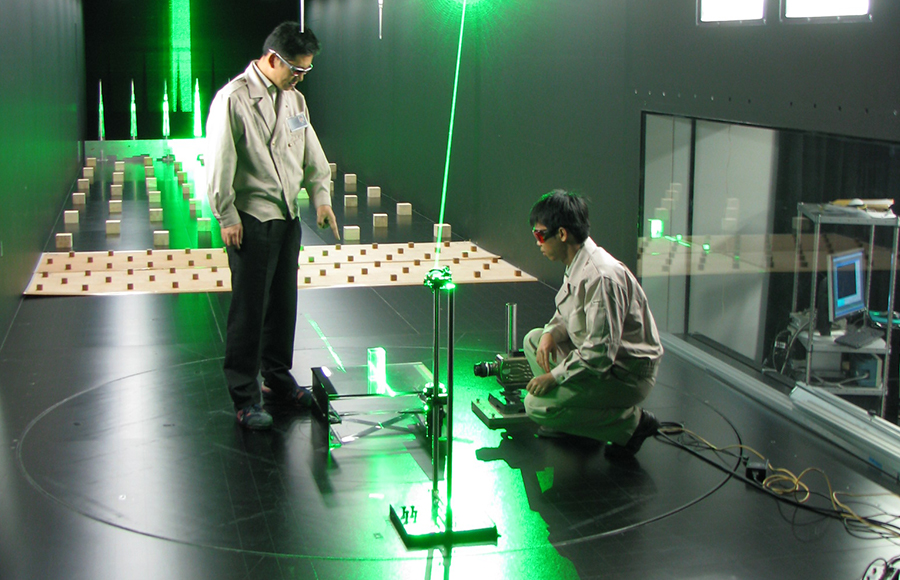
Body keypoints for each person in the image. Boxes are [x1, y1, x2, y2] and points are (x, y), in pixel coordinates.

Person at [206, 22, 340, 430]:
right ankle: (245, 397)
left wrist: (321, 197)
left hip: (287, 217)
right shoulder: (233, 99)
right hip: (251, 219)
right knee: (250, 311)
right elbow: (219, 162)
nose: (300, 77)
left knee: (282, 306)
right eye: (296, 69)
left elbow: (311, 152)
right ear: (272, 59)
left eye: (306, 71)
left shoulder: (294, 101)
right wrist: (226, 215)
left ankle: (277, 378)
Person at [523, 190, 663, 458]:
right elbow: (570, 313)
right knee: (534, 340)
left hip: (625, 374)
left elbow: (600, 355)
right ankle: (578, 420)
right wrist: (551, 332)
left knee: (536, 406)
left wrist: (553, 377)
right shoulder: (577, 262)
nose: (537, 243)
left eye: (540, 235)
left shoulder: (600, 277)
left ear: (562, 234)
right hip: (600, 361)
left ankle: (633, 425)